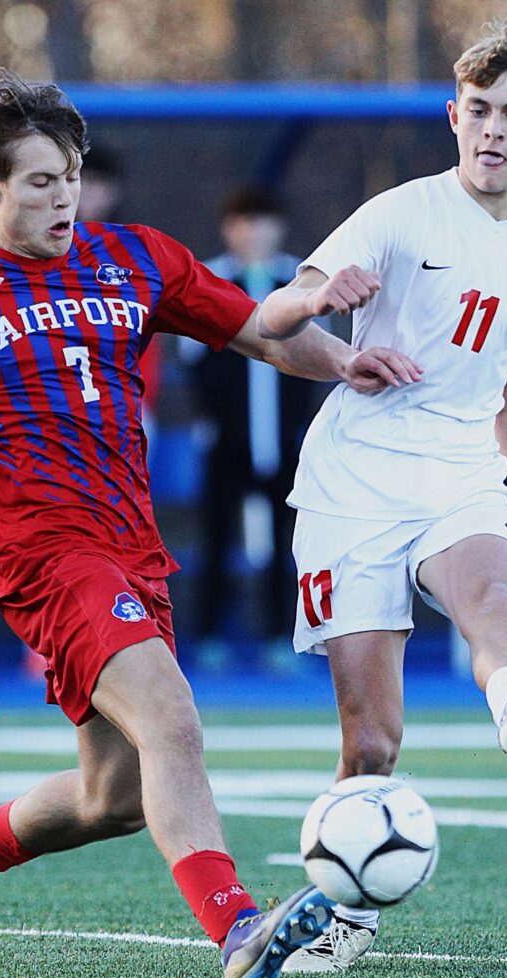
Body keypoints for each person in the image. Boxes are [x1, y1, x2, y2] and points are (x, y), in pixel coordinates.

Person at [0, 68, 413, 978]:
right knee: (173, 719)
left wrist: (342, 359)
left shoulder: (134, 256)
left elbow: (257, 330)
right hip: (40, 551)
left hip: (130, 546)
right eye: (40, 181)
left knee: (117, 796)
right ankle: (238, 929)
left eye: (70, 175)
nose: (65, 197)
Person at [259, 17, 507, 973]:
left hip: (463, 471)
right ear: (453, 116)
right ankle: (348, 919)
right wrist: (323, 312)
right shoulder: (398, 213)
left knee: (493, 597)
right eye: (477, 111)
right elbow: (268, 324)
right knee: (372, 742)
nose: (492, 131)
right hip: (353, 484)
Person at [180, 187, 319, 667]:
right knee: (216, 542)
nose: (254, 232)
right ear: (228, 228)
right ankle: (209, 639)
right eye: (244, 221)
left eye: (263, 220)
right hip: (227, 445)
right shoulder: (212, 280)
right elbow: (194, 361)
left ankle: (284, 639)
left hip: (287, 444)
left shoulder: (301, 281)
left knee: (289, 544)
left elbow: (321, 358)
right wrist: (217, 423)